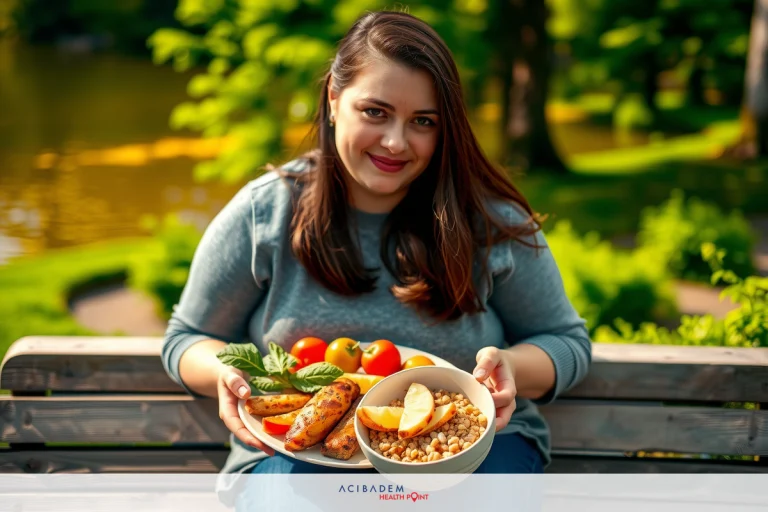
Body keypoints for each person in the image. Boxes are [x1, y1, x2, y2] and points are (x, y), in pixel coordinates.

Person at [161, 9, 591, 506]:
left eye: (423, 122)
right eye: (375, 112)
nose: (395, 142)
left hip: (471, 454)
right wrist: (228, 375)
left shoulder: (488, 221)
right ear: (333, 100)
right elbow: (186, 338)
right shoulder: (265, 211)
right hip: (295, 456)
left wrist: (511, 368)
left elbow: (566, 342)